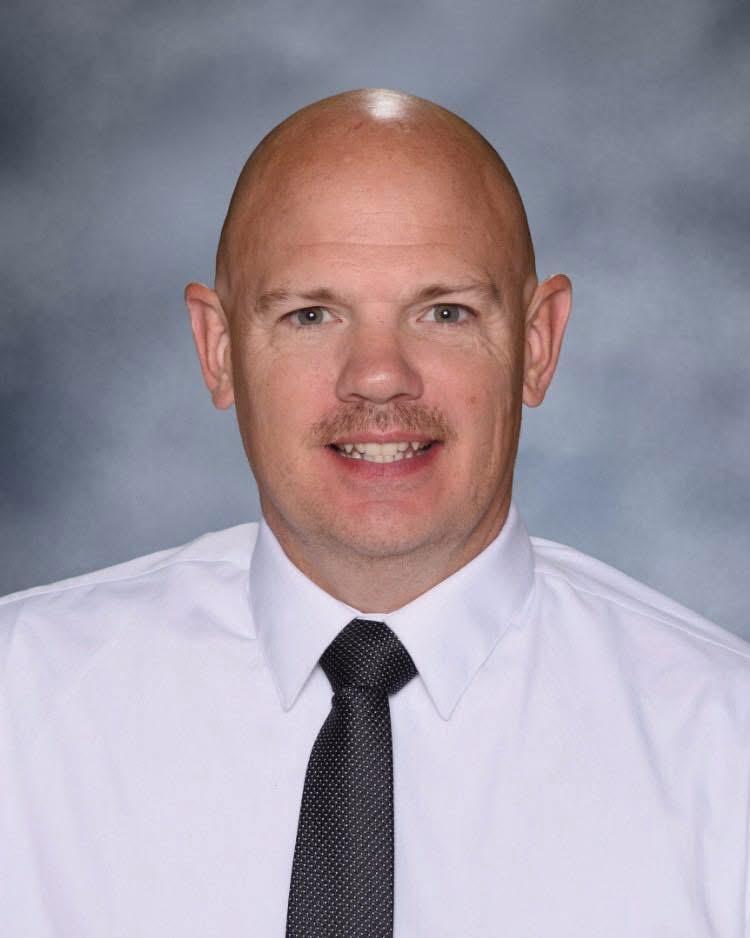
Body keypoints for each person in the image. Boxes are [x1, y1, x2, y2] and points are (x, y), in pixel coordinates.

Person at [1, 88, 748, 938]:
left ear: (538, 345)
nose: (380, 376)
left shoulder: (726, 751)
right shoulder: (19, 710)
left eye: (445, 312)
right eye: (311, 314)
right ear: (219, 350)